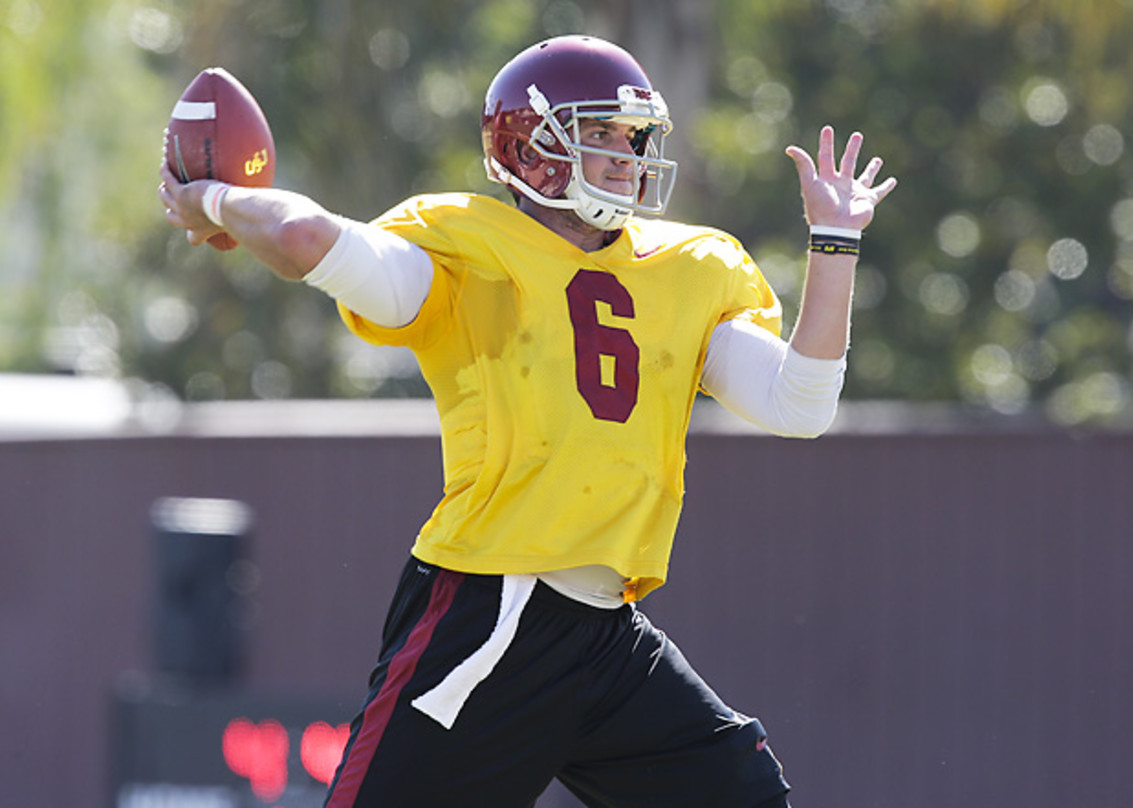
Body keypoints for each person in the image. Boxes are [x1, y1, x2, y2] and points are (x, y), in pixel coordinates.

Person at [159, 34, 895, 808]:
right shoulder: (466, 248)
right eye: (600, 132)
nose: (626, 153)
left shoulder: (690, 268)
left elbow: (800, 404)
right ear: (531, 147)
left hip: (608, 632)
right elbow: (306, 237)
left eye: (632, 135)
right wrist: (210, 199)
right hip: (490, 609)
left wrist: (834, 246)